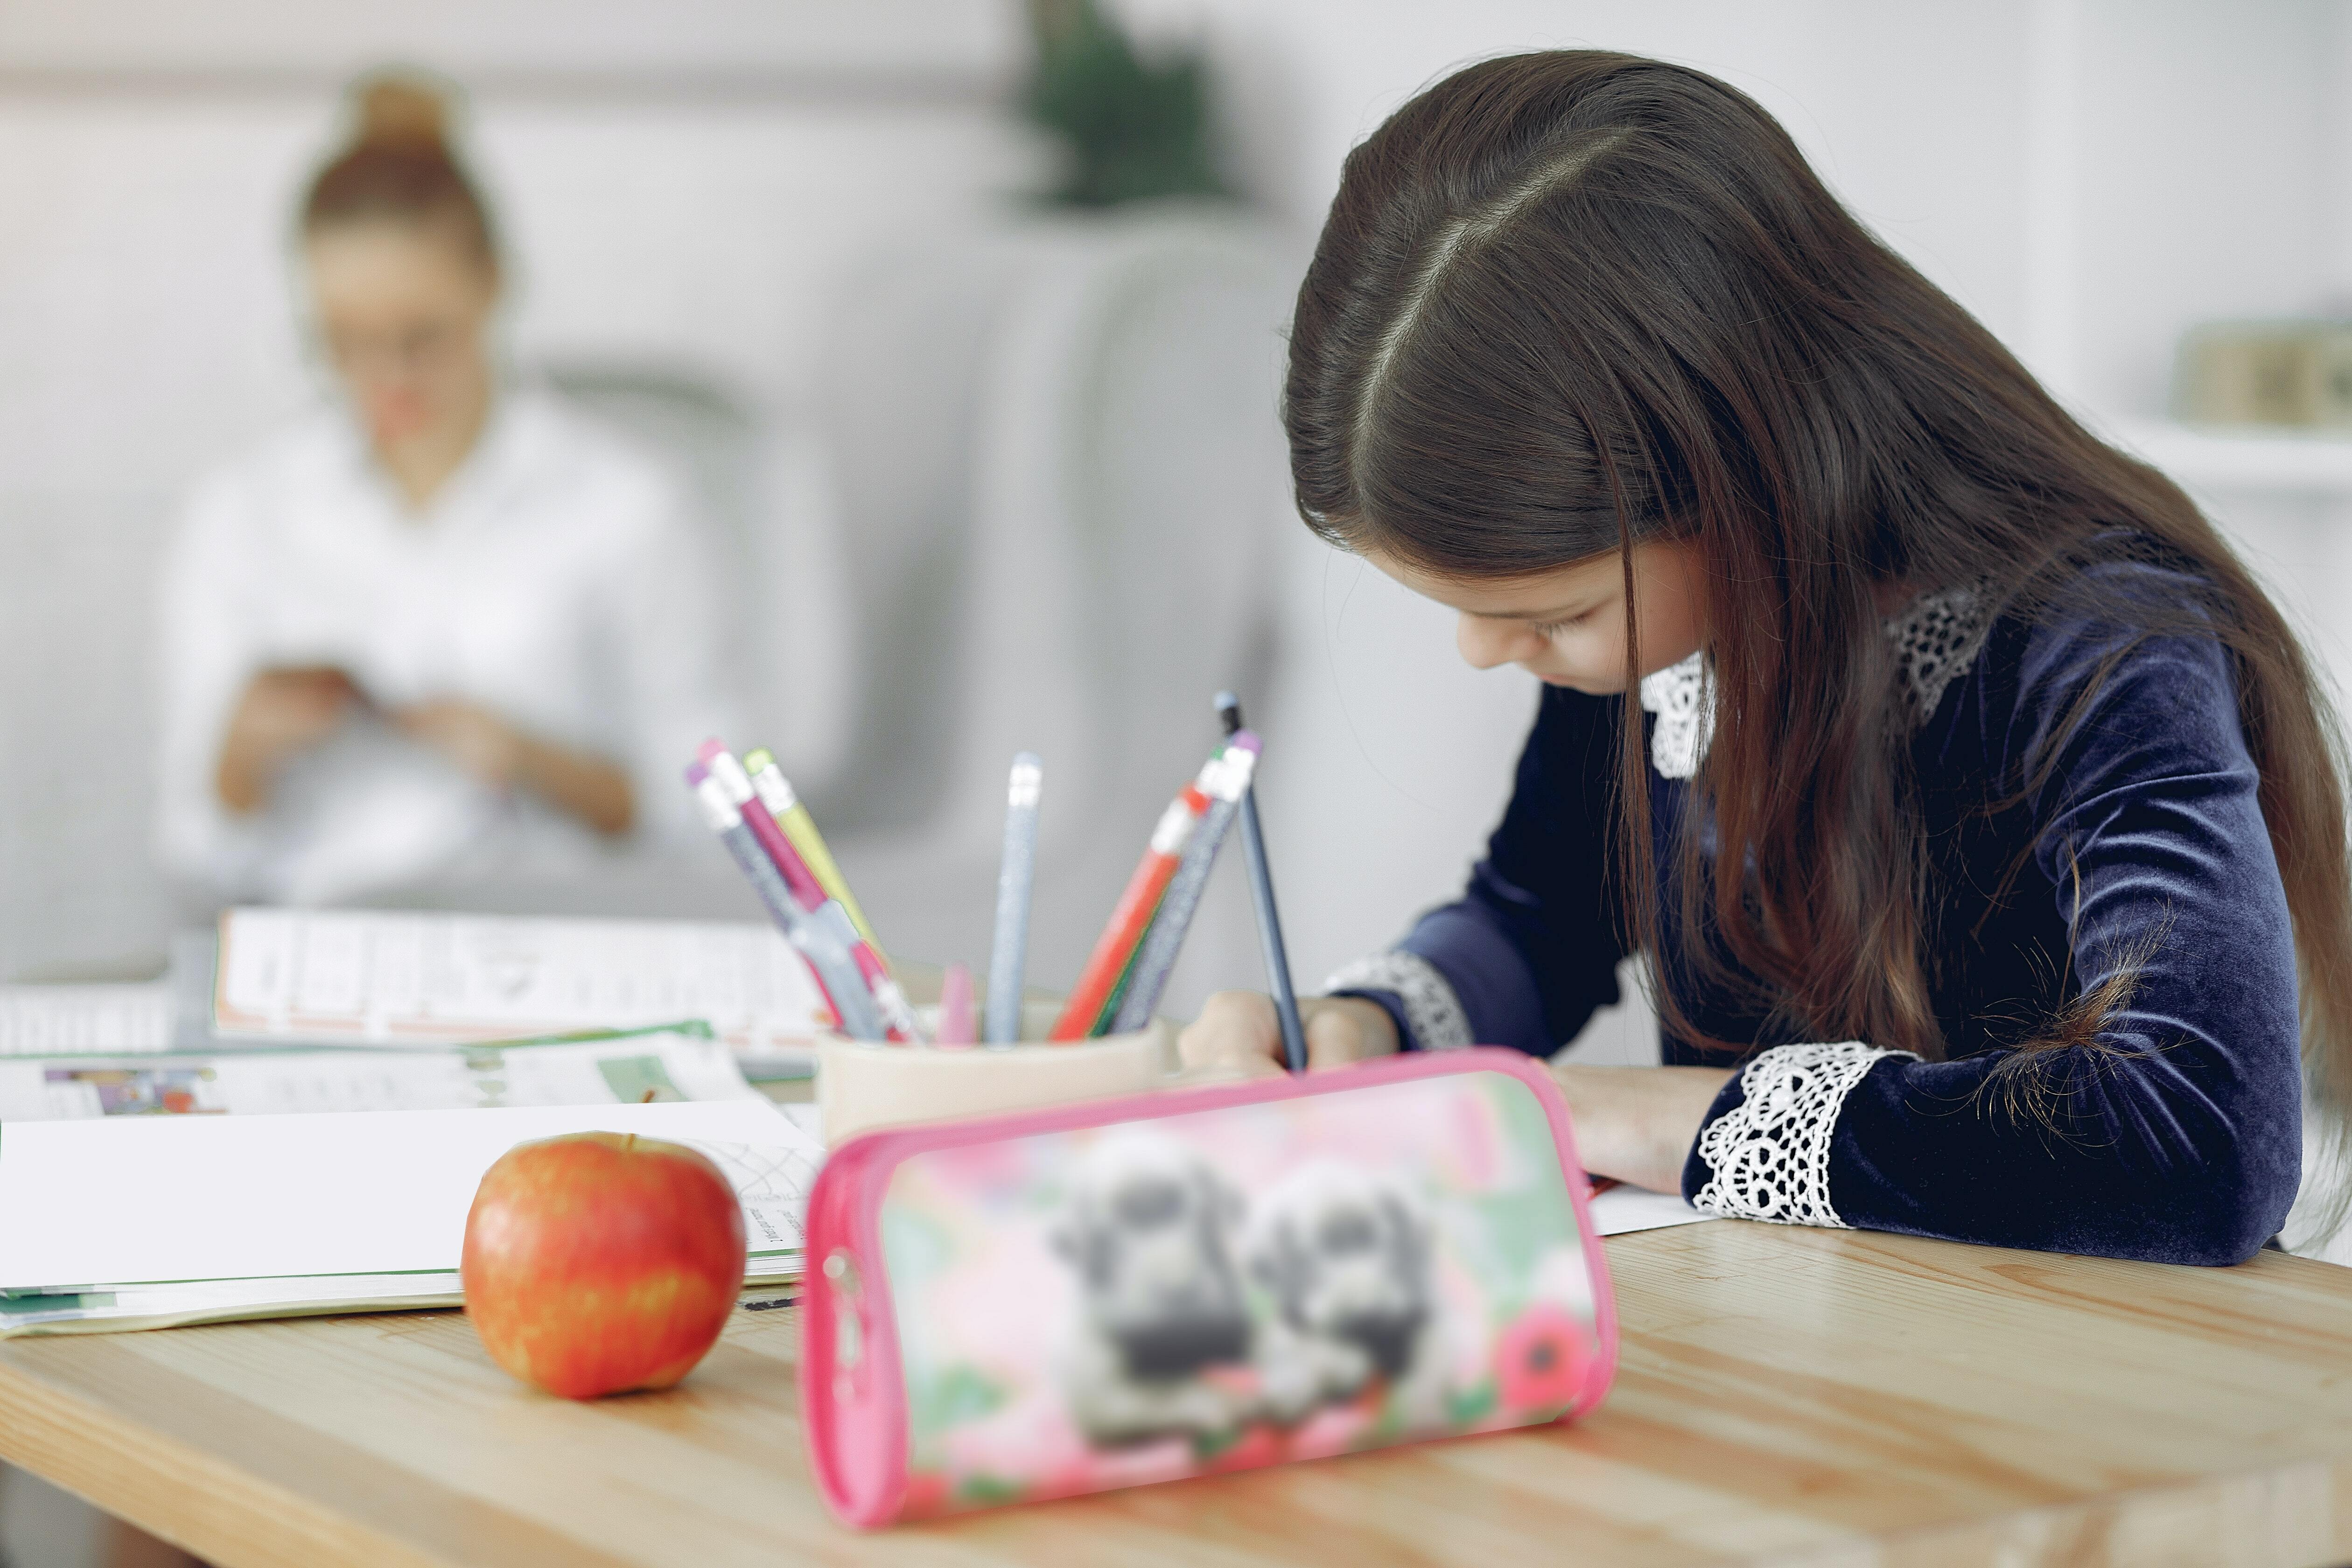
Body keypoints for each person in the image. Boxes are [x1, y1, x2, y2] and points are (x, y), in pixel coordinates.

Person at [1180, 51, 2352, 1266]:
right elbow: (1538, 917)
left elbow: (2198, 1144)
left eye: (1557, 614)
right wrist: (1367, 1024)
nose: (1489, 656)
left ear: (1750, 477)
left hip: (2053, 1381)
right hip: (1771, 1362)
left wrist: (1661, 1116)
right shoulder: (1671, 630)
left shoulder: (2100, 641)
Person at [156, 74, 735, 906]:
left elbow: (725, 820)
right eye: (346, 345)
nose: (388, 379)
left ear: (493, 284)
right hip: (322, 945)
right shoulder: (242, 514)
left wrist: (534, 761)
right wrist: (238, 761)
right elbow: (187, 847)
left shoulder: (628, 504)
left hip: (559, 939)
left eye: (421, 337)